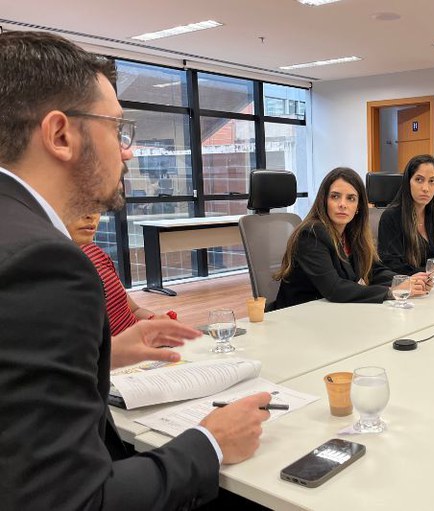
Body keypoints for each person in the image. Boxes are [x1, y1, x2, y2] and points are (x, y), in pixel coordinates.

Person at [0, 31, 273, 510]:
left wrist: (99, 357)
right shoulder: (43, 264)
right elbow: (72, 501)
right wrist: (209, 442)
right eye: (118, 130)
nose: (127, 152)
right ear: (61, 134)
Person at [275, 167, 431, 309]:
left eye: (351, 198)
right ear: (324, 201)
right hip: (299, 317)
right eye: (335, 196)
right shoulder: (311, 234)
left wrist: (406, 281)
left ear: (358, 207)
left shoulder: (352, 233)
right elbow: (334, 289)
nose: (342, 204)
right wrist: (391, 292)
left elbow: (374, 270)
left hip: (333, 312)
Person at [68, 213, 172, 335]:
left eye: (97, 205)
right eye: (79, 203)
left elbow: (134, 310)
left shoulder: (94, 251)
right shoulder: (49, 271)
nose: (91, 215)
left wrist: (156, 321)